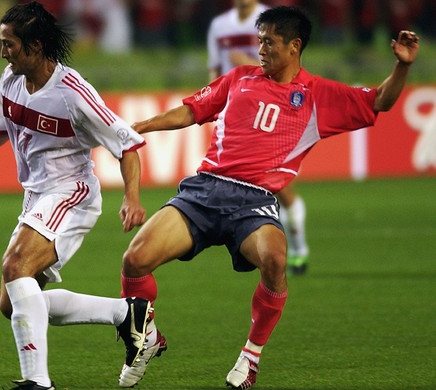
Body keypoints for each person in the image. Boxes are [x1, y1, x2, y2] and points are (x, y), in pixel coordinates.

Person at [118, 6, 419, 389]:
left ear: (294, 46)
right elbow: (191, 111)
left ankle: (250, 357)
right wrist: (140, 126)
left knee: (275, 259)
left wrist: (403, 67)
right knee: (135, 260)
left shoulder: (318, 95)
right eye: (258, 40)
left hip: (254, 201)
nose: (260, 49)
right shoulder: (239, 78)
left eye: (269, 42)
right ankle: (146, 338)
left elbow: (380, 101)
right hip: (206, 189)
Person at [0, 3, 153, 389]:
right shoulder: (11, 79)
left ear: (35, 46)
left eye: (9, 44)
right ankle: (126, 313)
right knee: (14, 304)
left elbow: (126, 145)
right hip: (35, 197)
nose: (3, 52)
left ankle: (38, 382)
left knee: (15, 267)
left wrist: (132, 197)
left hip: (71, 192)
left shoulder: (72, 93)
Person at [207, 0, 310, 275]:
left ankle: (298, 249)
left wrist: (248, 63)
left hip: (269, 113)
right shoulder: (219, 26)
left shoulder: (273, 23)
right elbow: (215, 69)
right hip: (234, 113)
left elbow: (286, 70)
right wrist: (213, 105)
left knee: (282, 190)